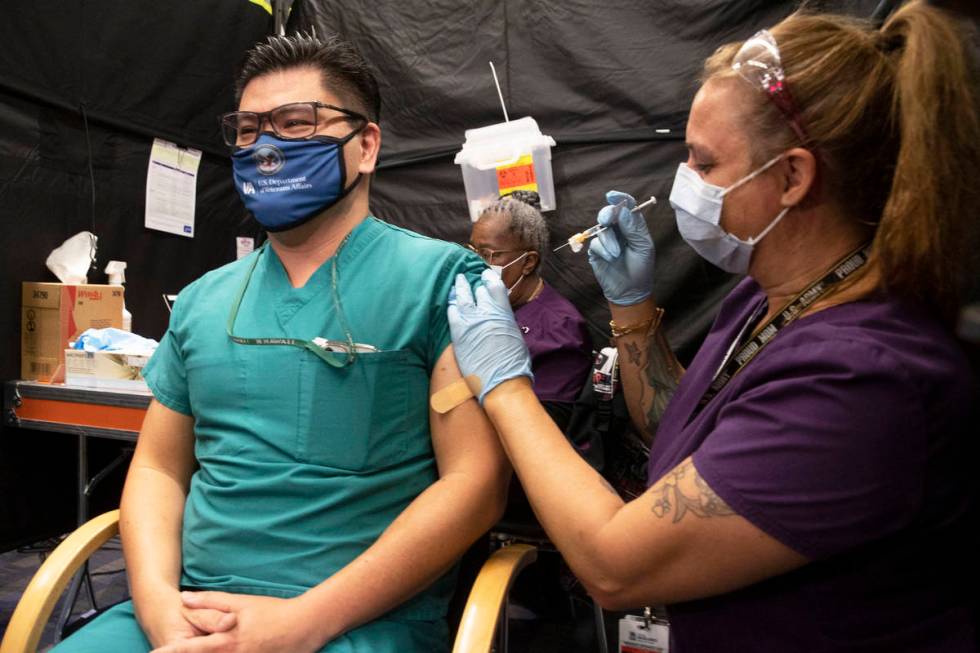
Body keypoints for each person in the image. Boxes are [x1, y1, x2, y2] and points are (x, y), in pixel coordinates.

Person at [446, 2, 978, 651]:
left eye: (703, 163)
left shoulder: (863, 379)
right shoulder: (768, 293)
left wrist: (502, 382)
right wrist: (633, 310)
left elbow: (616, 566)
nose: (684, 183)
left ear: (792, 176)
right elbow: (677, 426)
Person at [53, 32, 508, 653]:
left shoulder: (445, 285)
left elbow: (475, 484)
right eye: (247, 130)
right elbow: (159, 467)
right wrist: (159, 610)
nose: (265, 147)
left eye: (296, 123)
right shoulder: (205, 301)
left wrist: (305, 622)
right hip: (186, 614)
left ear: (366, 145)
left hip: (356, 623)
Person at [468, 191, 593, 428]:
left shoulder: (559, 331)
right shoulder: (486, 307)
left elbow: (540, 431)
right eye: (472, 251)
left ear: (528, 262)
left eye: (486, 255)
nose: (475, 263)